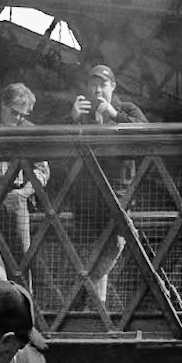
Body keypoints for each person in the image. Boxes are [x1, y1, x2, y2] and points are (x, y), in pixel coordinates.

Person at [69, 63, 148, 304]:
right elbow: (56, 148)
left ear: (113, 86)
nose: (97, 90)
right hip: (85, 198)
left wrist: (115, 116)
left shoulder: (127, 109)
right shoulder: (79, 112)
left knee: (116, 243)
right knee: (88, 253)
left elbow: (146, 134)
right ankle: (97, 312)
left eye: (102, 85)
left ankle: (83, 295)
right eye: (93, 85)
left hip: (118, 195)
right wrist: (71, 120)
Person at [0, 83, 49, 279]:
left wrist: (23, 193)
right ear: (3, 105)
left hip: (14, 198)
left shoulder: (29, 131)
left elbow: (42, 170)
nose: (18, 120)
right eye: (15, 113)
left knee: (22, 259)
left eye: (23, 116)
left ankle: (26, 302)